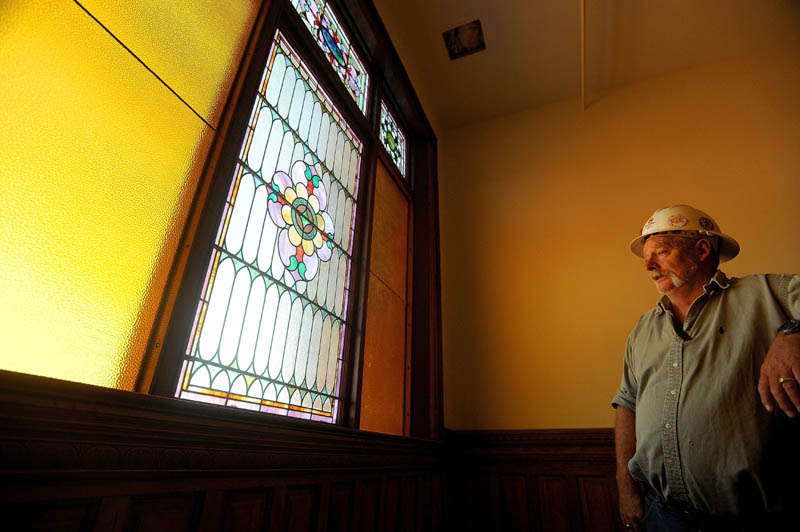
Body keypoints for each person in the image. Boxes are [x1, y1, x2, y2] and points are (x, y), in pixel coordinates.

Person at [612, 204, 800, 532]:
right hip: (661, 515)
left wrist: (792, 334)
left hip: (754, 521)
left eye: (661, 252)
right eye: (646, 257)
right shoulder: (642, 329)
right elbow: (627, 405)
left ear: (701, 249)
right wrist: (625, 489)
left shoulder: (766, 295)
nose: (649, 266)